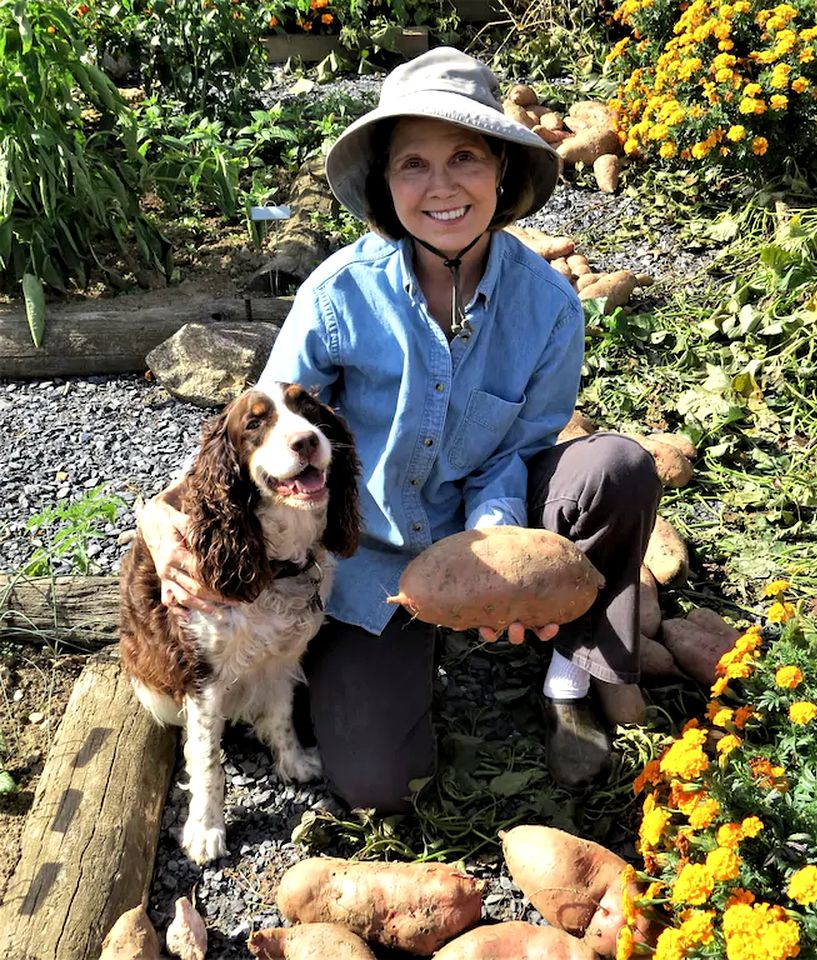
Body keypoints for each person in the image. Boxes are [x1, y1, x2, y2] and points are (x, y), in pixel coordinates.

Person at [139, 47, 661, 812]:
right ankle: (398, 655)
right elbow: (262, 430)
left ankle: (572, 678)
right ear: (384, 183)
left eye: (466, 158)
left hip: (478, 524)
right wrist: (162, 513)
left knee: (617, 468)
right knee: (379, 785)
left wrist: (494, 559)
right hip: (364, 563)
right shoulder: (338, 296)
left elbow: (520, 451)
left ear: (504, 173)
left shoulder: (549, 306)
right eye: (413, 164)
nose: (442, 186)